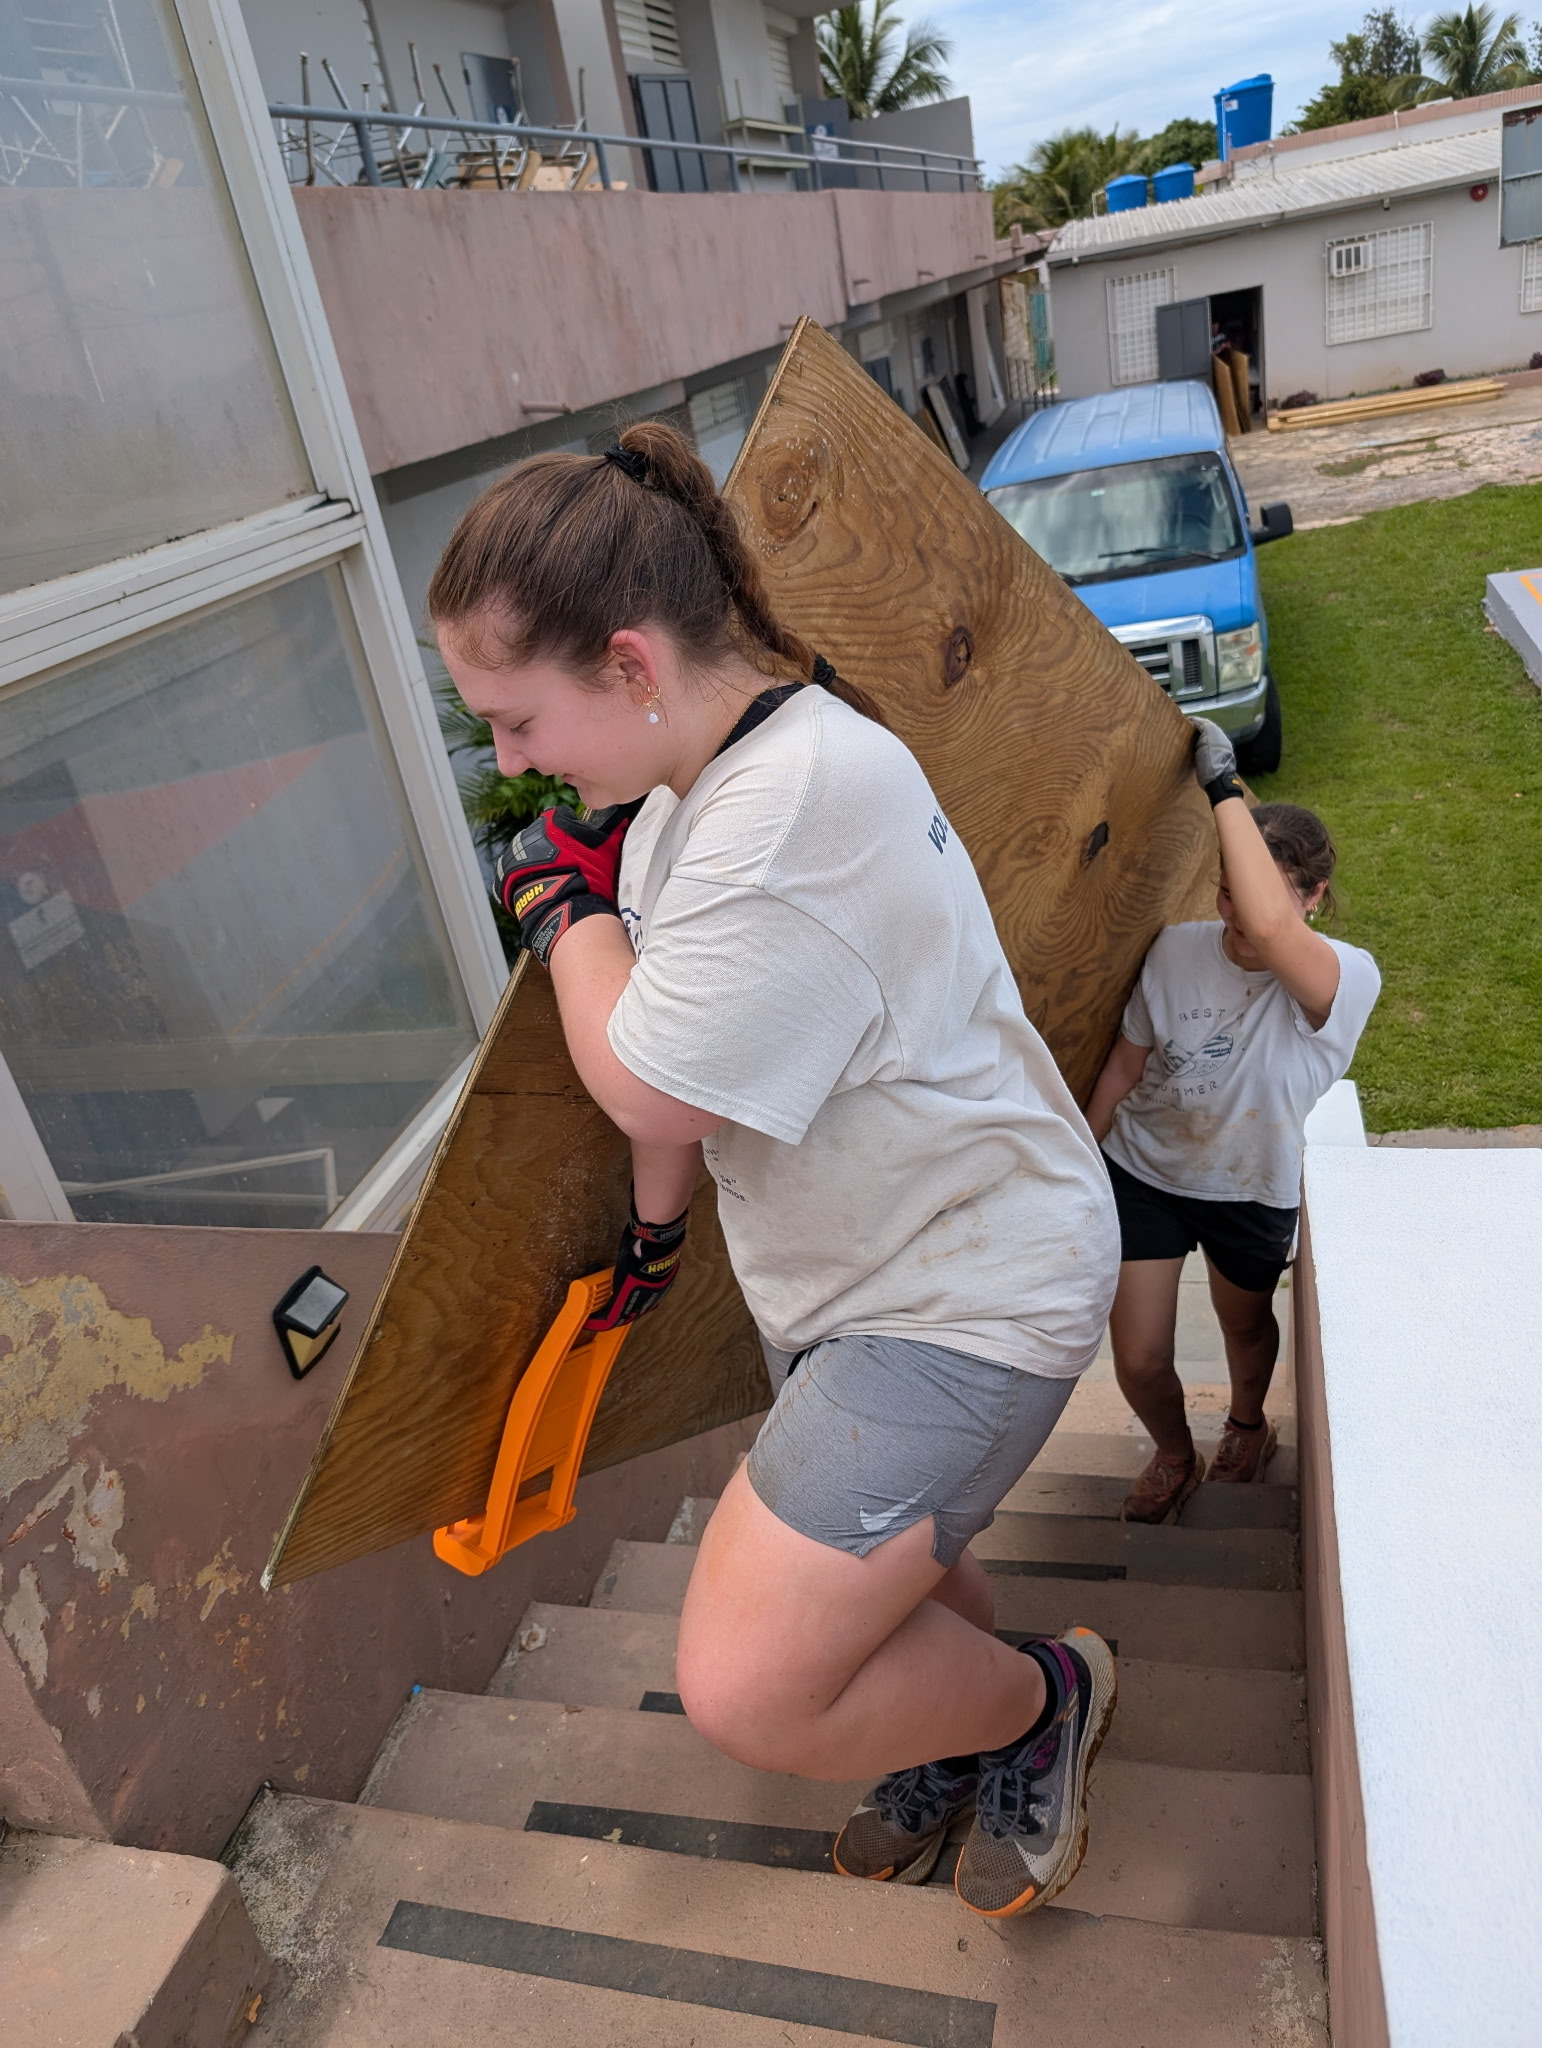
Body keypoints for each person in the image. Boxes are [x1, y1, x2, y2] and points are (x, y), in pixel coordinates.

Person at [427, 422, 1121, 1920]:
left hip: (958, 1288)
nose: (510, 760)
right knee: (899, 1591)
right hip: (863, 1266)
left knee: (747, 1689)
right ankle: (960, 1716)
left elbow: (643, 1068)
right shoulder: (701, 791)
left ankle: (1037, 1702)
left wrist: (566, 920)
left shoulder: (782, 813)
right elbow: (690, 1082)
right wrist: (658, 1240)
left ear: (629, 663)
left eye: (515, 717)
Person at [1084, 724, 1381, 1523]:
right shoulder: (1178, 950)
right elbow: (1126, 1062)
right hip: (1146, 1170)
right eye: (1226, 894)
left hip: (1249, 1185)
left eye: (1257, 899)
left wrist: (1222, 788)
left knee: (1245, 1332)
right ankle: (1175, 1453)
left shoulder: (1345, 977)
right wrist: (1080, 1152)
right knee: (1140, 1357)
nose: (1236, 919)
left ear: (1314, 896)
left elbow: (1278, 934)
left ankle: (1247, 1424)